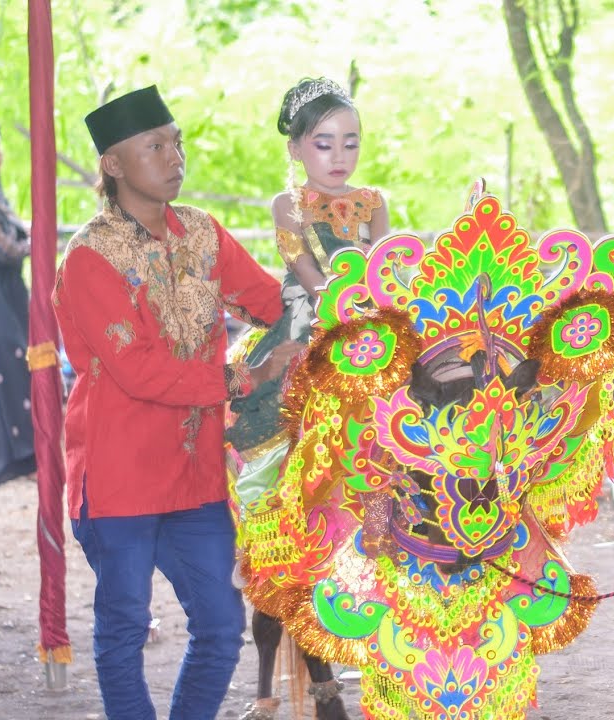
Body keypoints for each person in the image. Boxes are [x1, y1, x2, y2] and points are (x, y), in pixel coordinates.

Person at [53, 85, 299, 720]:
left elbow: (267, 301)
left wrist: (331, 309)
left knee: (221, 627)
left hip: (194, 476)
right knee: (124, 630)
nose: (174, 156)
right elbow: (138, 371)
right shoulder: (88, 258)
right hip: (118, 475)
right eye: (155, 145)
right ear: (113, 164)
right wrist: (244, 378)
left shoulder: (201, 231)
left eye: (177, 142)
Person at [226, 76, 386, 720]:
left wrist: (375, 307)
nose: (338, 156)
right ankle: (298, 681)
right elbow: (311, 276)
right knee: (288, 481)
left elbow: (381, 265)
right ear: (297, 149)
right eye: (323, 143)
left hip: (367, 330)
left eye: (349, 141)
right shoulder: (287, 204)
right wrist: (345, 303)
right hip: (307, 330)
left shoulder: (374, 200)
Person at [0, 122, 36, 488]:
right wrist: (29, 245)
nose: (0, 156)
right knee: (5, 359)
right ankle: (8, 453)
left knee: (16, 359)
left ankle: (23, 449)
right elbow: (4, 249)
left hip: (7, 292)